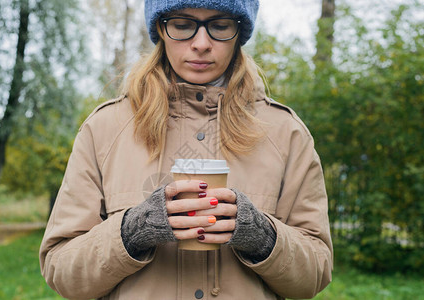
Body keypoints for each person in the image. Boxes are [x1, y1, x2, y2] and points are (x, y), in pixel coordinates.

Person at [39, 0, 333, 299]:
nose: (202, 44)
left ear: (239, 32)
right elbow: (61, 273)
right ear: (160, 29)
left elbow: (315, 274)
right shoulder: (104, 129)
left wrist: (263, 236)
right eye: (183, 25)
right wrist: (131, 232)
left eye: (219, 26)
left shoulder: (286, 133)